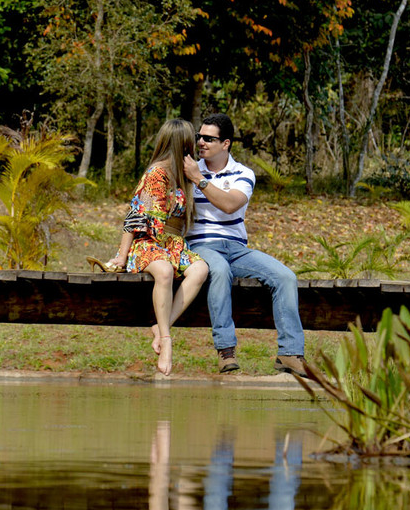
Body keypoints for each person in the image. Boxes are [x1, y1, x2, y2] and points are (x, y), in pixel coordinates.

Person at [181, 113, 307, 376]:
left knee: (285, 277)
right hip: (201, 246)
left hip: (237, 249)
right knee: (220, 271)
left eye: (209, 139)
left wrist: (199, 179)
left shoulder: (242, 173)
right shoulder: (188, 169)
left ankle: (290, 353)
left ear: (225, 143)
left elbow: (230, 205)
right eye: (199, 137)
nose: (201, 142)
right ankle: (226, 351)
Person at [102, 118, 210, 376]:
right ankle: (167, 340)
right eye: (191, 141)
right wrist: (122, 256)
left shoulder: (183, 175)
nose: (195, 146)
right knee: (164, 271)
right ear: (181, 144)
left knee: (200, 270)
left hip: (172, 244)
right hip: (147, 242)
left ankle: (161, 328)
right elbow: (135, 216)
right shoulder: (156, 174)